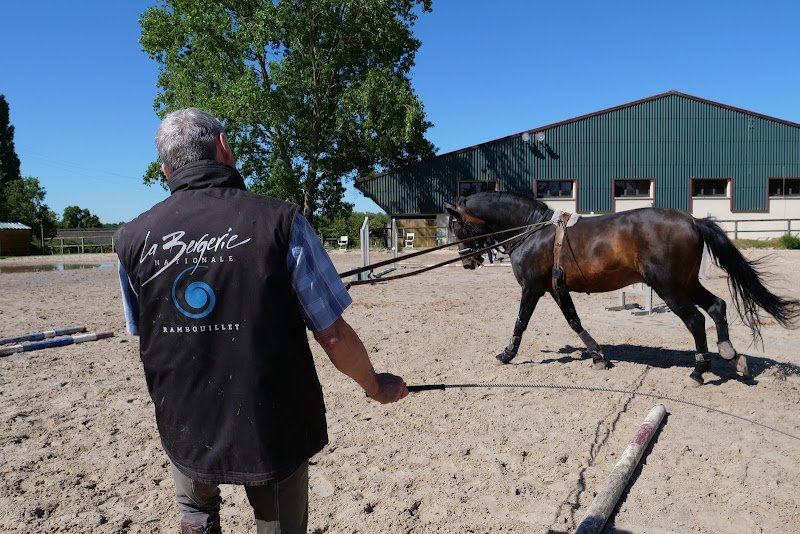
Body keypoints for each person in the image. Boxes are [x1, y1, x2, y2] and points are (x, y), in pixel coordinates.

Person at [115, 108, 408, 534]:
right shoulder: (281, 220)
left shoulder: (130, 238)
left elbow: (148, 330)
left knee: (195, 520)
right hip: (271, 423)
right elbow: (333, 334)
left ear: (165, 169)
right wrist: (375, 385)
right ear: (223, 147)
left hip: (184, 420)